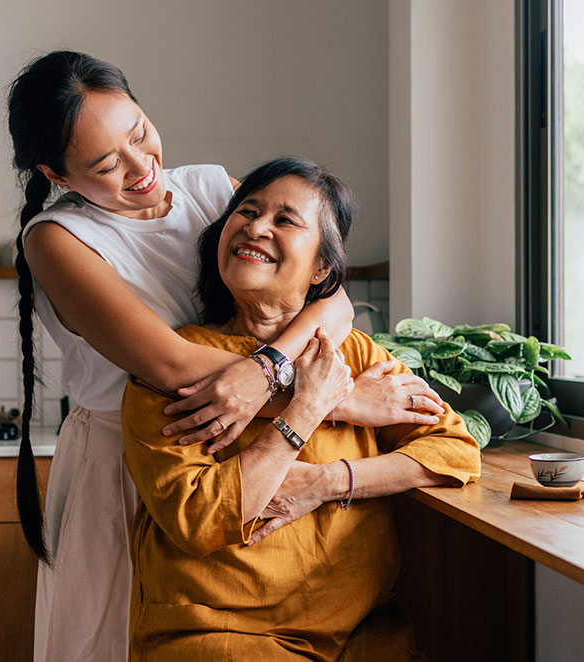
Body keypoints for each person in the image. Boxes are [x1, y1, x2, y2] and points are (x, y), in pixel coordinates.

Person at [7, 51, 368, 662]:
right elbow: (170, 365)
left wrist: (267, 370)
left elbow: (332, 299)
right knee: (115, 639)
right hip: (124, 465)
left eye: (139, 133)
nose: (141, 167)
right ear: (57, 174)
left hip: (237, 453)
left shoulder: (212, 188)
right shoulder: (56, 239)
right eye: (105, 164)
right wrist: (343, 399)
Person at [121, 157, 482, 661]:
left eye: (285, 220)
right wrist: (306, 408)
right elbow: (198, 516)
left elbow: (456, 451)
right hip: (219, 637)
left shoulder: (354, 353)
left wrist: (329, 482)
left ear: (321, 268)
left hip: (364, 636)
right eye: (246, 211)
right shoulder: (172, 368)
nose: (255, 226)